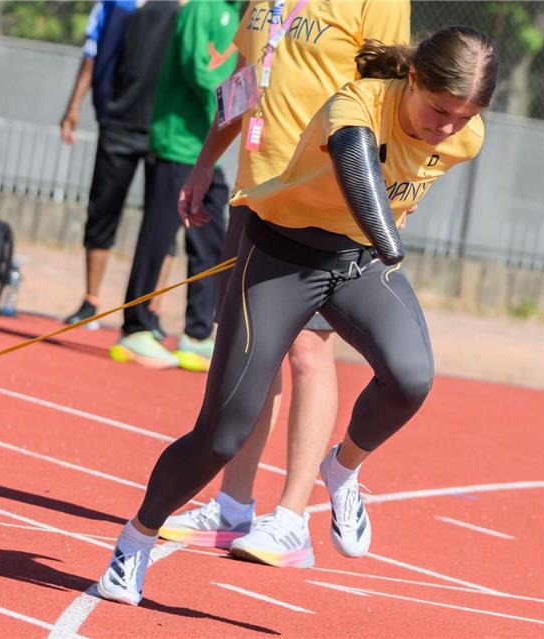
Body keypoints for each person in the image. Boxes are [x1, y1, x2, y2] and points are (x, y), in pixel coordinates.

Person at [96, 25, 499, 605]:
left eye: (463, 118)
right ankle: (133, 542)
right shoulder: (356, 102)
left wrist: (386, 243)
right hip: (282, 254)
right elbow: (360, 177)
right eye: (440, 111)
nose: (448, 128)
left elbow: (410, 179)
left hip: (357, 261)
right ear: (412, 77)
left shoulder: (467, 136)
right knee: (222, 434)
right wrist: (392, 246)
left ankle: (342, 470)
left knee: (411, 379)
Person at [159, 0, 410, 566]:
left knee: (306, 349)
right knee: (252, 350)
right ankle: (232, 506)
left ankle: (293, 518)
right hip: (257, 194)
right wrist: (205, 162)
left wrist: (388, 203)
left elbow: (390, 98)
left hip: (323, 202)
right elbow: (246, 79)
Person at [111, 0, 241, 371]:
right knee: (159, 234)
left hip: (204, 149)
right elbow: (198, 70)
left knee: (212, 237)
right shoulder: (205, 7)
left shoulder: (239, 15)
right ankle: (135, 327)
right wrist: (236, 114)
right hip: (180, 141)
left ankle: (197, 334)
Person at [59, 0, 179, 327]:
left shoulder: (183, 5)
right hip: (119, 123)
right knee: (102, 210)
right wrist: (74, 106)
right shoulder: (114, 4)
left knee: (164, 223)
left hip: (166, 126)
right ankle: (90, 300)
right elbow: (91, 54)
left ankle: (150, 311)